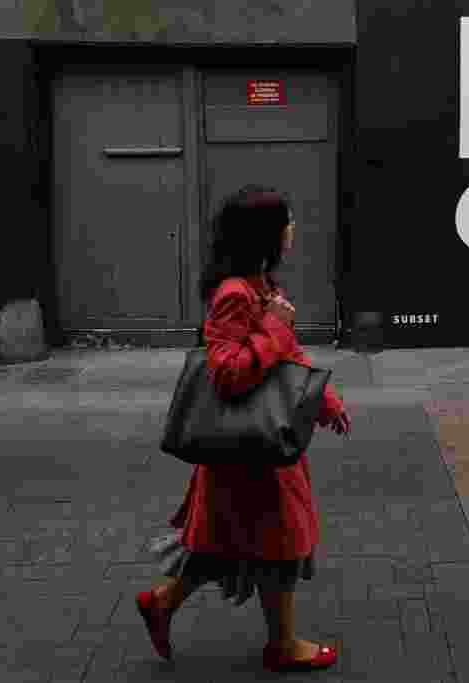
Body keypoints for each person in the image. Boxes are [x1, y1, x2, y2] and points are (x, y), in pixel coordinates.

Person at [136, 185, 350, 672]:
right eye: (287, 221)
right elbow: (228, 373)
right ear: (266, 234)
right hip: (250, 448)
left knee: (229, 541)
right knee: (281, 542)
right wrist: (273, 326)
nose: (293, 228)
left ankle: (163, 602)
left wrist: (324, 400)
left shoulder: (260, 283)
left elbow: (285, 360)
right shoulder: (236, 294)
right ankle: (284, 645)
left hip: (258, 442)